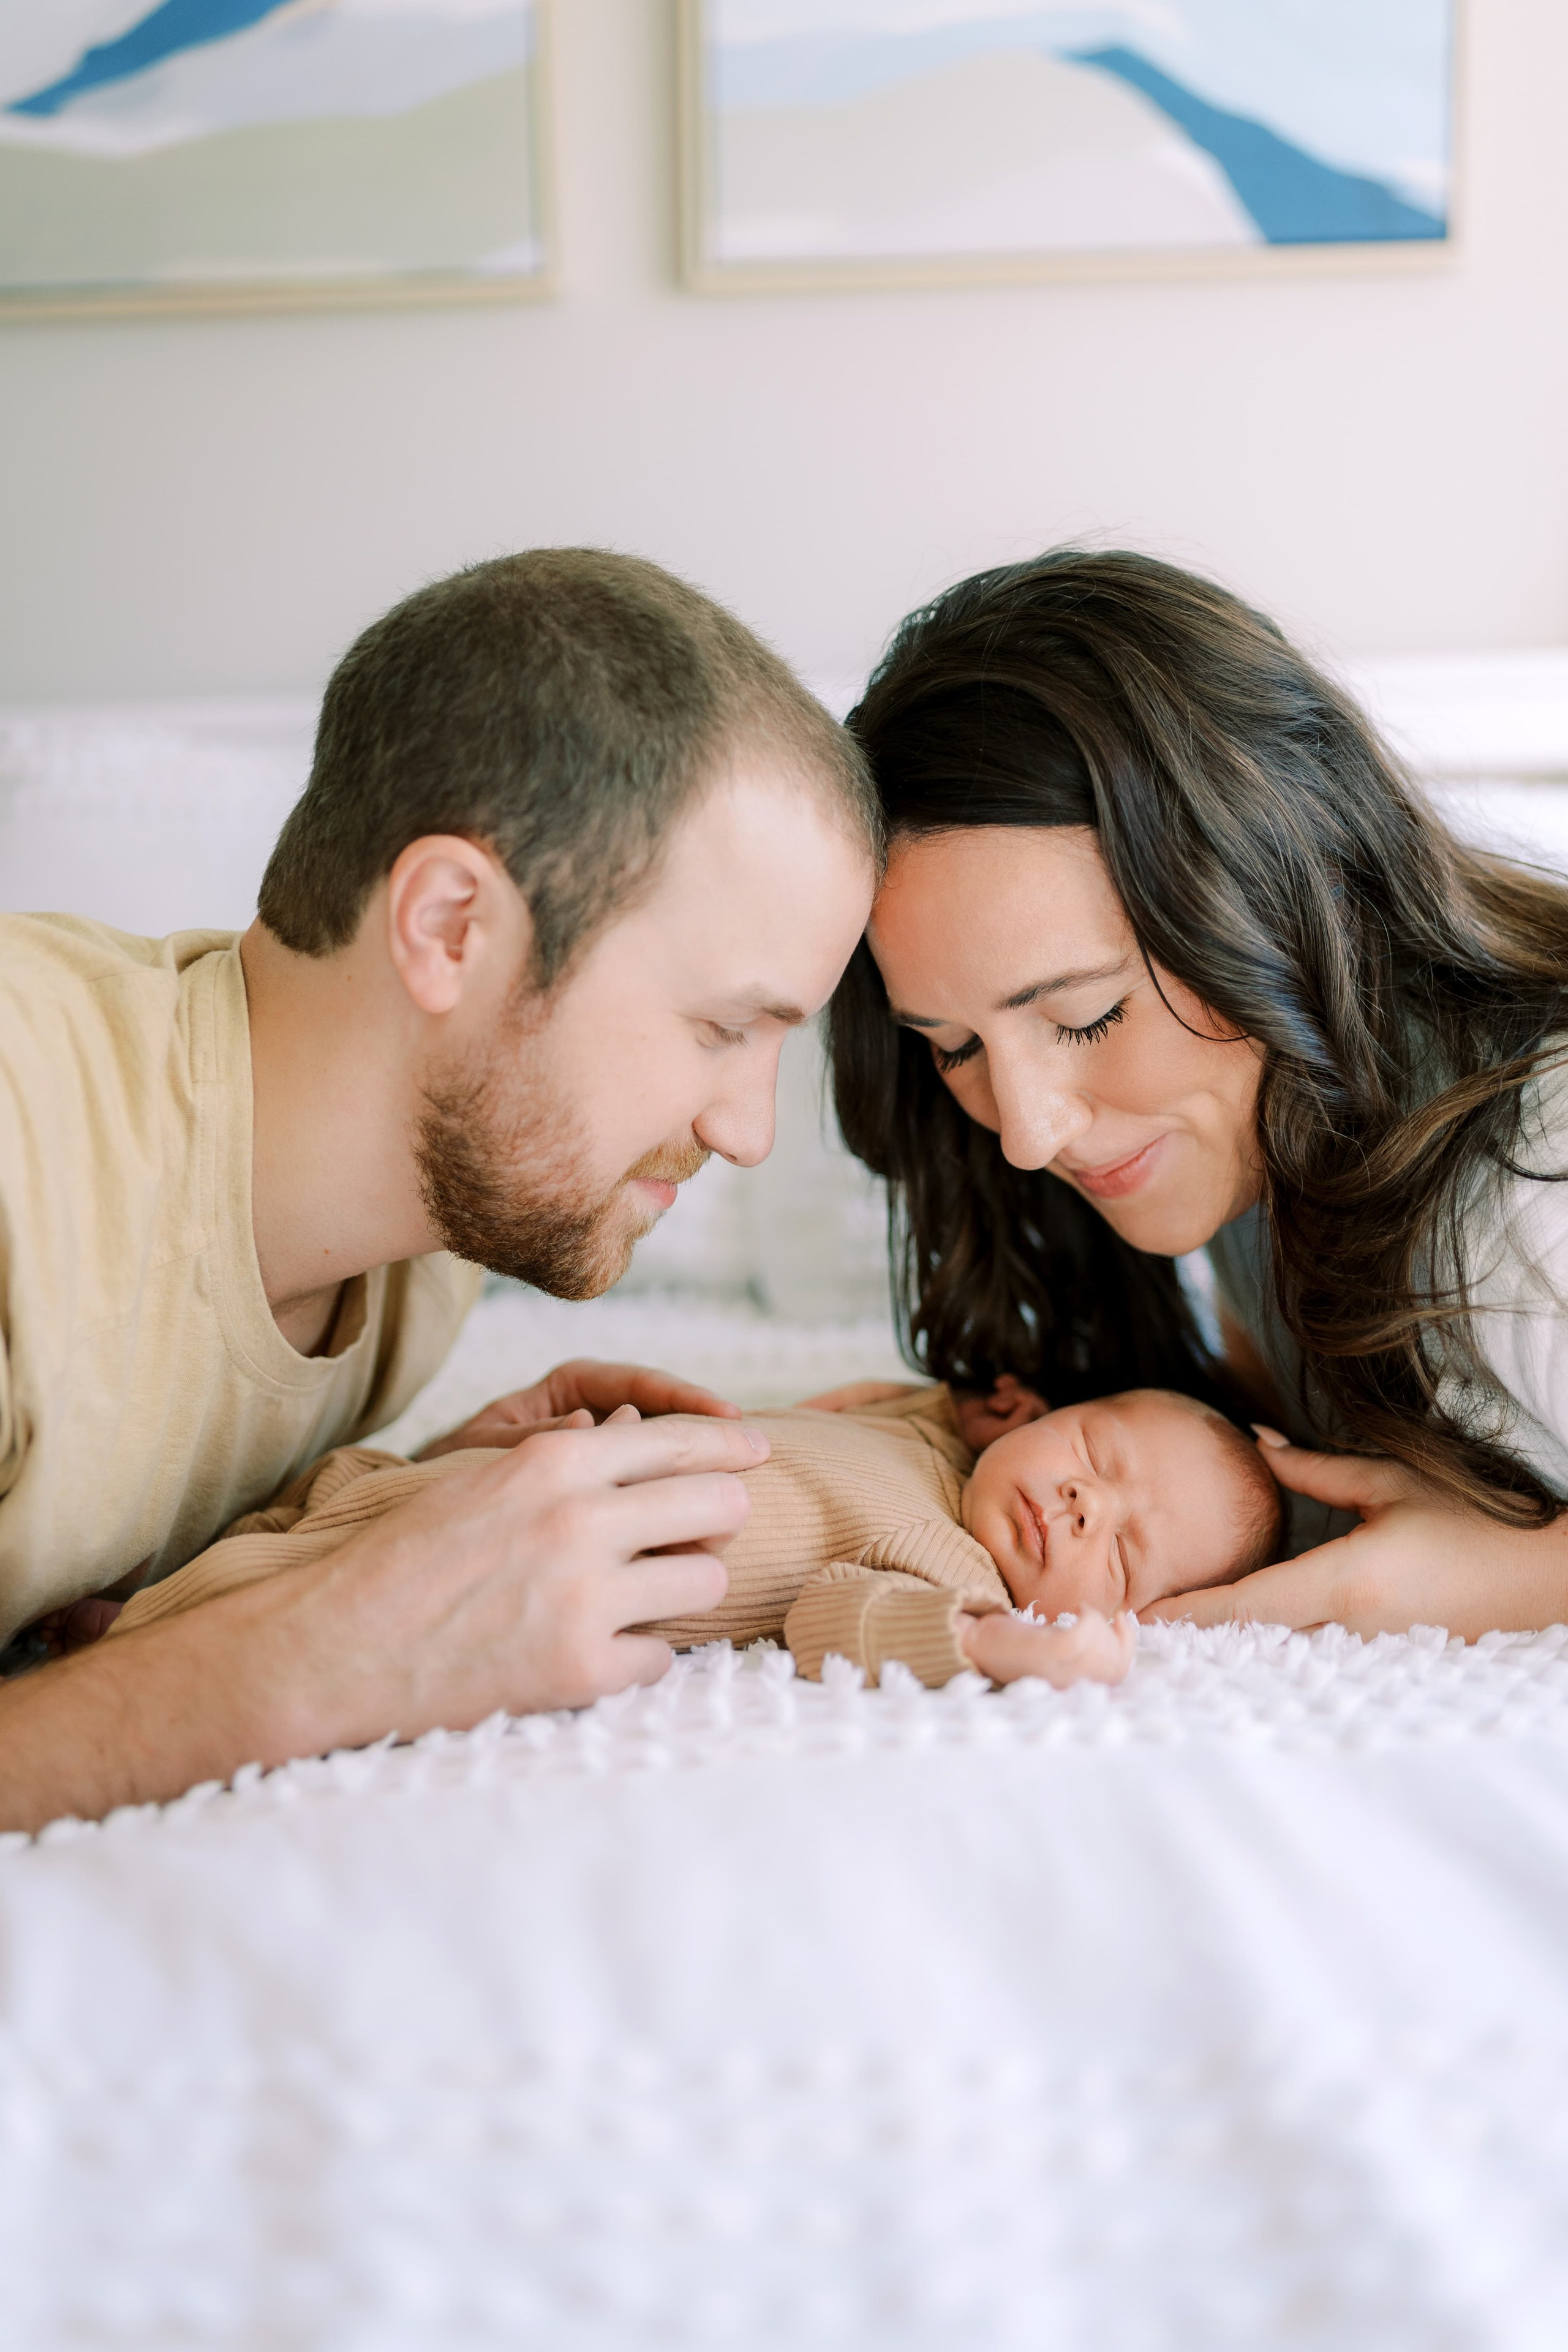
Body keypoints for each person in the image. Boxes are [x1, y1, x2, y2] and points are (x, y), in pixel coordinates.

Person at [0, 548, 879, 1834]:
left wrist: (384, 1508)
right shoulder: (26, 1154)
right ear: (451, 926)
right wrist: (339, 1644)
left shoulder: (421, 1263)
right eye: (718, 1029)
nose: (744, 1131)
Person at [828, 548, 1568, 1642]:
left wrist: (1505, 1580)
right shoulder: (1263, 1156)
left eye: (1084, 1015)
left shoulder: (1530, 1187)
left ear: (1273, 894)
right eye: (953, 1046)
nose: (1027, 1136)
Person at [97, 1378, 1282, 1689]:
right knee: (316, 1500)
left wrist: (983, 1647)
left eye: (1119, 1552)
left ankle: (117, 1648)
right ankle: (137, 1597)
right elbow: (839, 1413)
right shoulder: (936, 1437)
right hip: (517, 1475)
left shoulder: (951, 1570)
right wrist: (955, 1407)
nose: (1080, 1505)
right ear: (1035, 1410)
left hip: (525, 1543)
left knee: (304, 1574)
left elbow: (836, 1620)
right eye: (1095, 1457)